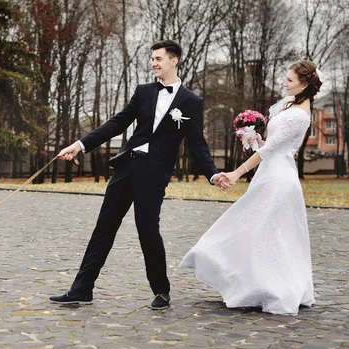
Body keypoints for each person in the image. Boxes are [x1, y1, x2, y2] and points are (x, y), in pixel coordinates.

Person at [50, 40, 223, 310]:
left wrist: (212, 175)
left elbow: (197, 145)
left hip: (153, 175)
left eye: (158, 58)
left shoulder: (191, 102)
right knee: (103, 228)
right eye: (152, 59)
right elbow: (117, 123)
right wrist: (80, 145)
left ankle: (162, 291)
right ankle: (82, 289)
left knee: (147, 231)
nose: (154, 63)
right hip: (126, 167)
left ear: (174, 60)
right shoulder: (143, 92)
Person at [179, 60, 322, 315]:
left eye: (289, 80)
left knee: (268, 231)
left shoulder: (300, 115)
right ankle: (252, 283)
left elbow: (270, 150)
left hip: (279, 179)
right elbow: (269, 145)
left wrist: (237, 172)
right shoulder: (290, 106)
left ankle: (276, 288)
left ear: (305, 84)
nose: (285, 83)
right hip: (270, 174)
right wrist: (254, 137)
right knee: (259, 229)